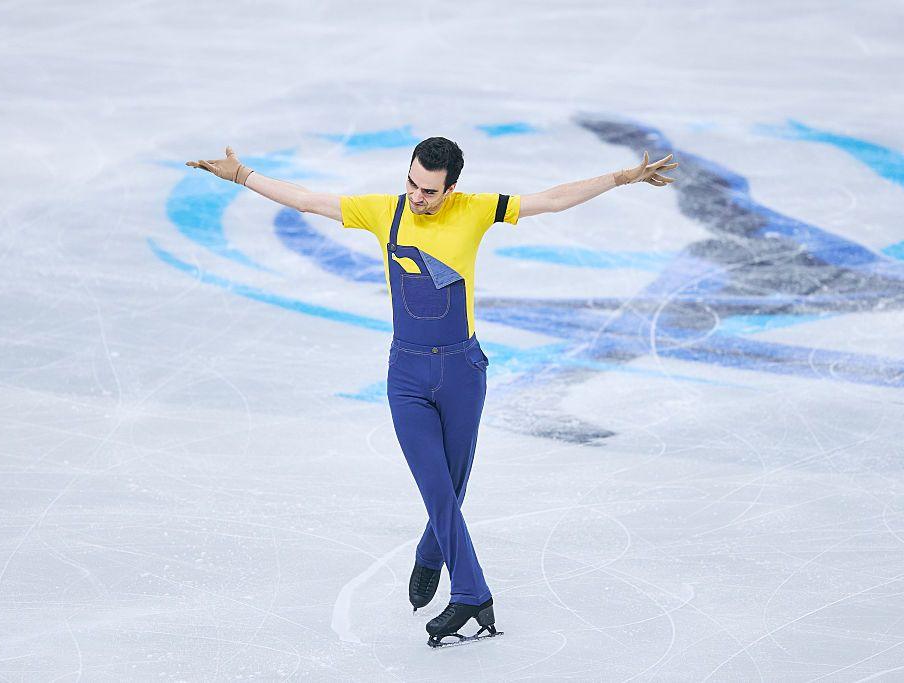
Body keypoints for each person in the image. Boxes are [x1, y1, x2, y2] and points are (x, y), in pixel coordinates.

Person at [187, 138, 676, 647]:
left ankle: (430, 551)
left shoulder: (476, 210)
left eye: (430, 191)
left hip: (463, 372)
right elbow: (309, 201)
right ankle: (472, 593)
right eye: (412, 184)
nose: (418, 197)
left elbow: (551, 200)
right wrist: (242, 175)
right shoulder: (384, 212)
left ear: (451, 189)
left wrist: (622, 177)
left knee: (453, 486)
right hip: (407, 376)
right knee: (437, 489)